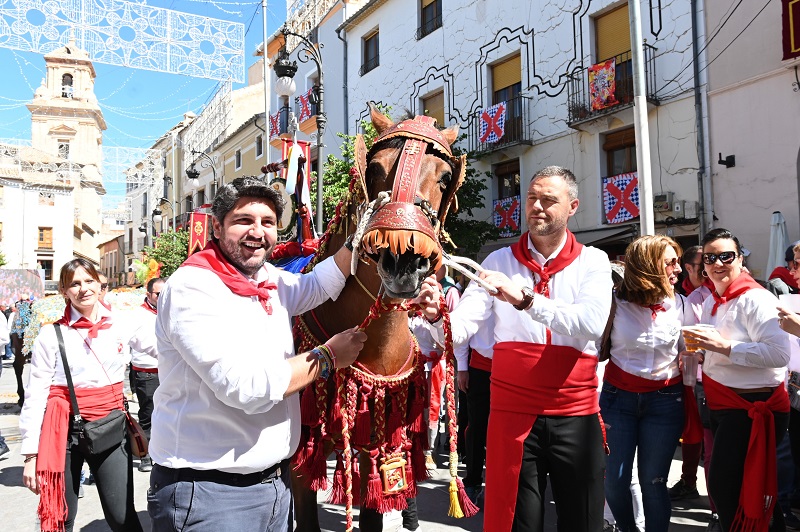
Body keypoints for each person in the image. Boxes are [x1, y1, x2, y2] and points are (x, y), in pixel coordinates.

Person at [146, 176, 376, 532]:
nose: (258, 232)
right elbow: (246, 389)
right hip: (208, 492)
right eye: (244, 221)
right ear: (218, 228)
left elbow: (316, 285)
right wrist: (328, 357)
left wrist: (359, 237)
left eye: (268, 223)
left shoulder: (267, 277)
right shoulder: (193, 288)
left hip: (274, 486)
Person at [421, 165, 613, 531]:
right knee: (516, 522)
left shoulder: (594, 261)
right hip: (512, 412)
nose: (537, 206)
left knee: (584, 520)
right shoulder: (497, 262)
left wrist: (525, 299)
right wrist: (436, 317)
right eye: (531, 198)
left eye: (548, 200)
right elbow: (459, 331)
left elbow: (591, 324)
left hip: (575, 411)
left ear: (572, 207)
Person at [19, 258, 156, 532]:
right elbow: (35, 397)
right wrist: (31, 455)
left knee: (121, 516)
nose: (83, 289)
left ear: (100, 283)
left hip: (111, 427)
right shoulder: (50, 334)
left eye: (89, 281)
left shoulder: (123, 323)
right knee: (61, 517)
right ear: (64, 290)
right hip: (63, 433)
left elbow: (164, 350)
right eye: (75, 284)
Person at [684, 228, 791, 532]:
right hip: (722, 402)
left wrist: (723, 347)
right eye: (710, 257)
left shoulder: (755, 298)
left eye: (726, 256)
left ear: (740, 259)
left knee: (726, 486)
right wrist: (702, 355)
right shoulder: (712, 301)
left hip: (752, 405)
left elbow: (778, 355)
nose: (718, 263)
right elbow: (719, 348)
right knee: (747, 486)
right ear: (703, 264)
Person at [599, 235, 687, 532]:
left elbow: (689, 352)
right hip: (617, 399)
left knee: (654, 481)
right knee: (615, 482)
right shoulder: (613, 302)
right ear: (648, 267)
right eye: (670, 262)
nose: (679, 269)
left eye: (678, 261)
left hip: (665, 402)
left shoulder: (682, 305)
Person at [129, 276, 164, 473]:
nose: (162, 297)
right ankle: (145, 454)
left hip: (169, 370)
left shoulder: (172, 310)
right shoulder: (137, 315)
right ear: (148, 294)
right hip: (147, 371)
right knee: (148, 413)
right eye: (158, 294)